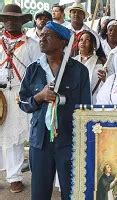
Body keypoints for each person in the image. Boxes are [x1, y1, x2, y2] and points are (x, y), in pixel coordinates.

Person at [19, 21, 91, 199]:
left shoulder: (79, 71)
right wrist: (39, 97)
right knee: (39, 194)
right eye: (41, 35)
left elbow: (85, 108)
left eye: (48, 35)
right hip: (40, 142)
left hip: (69, 142)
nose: (42, 38)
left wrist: (83, 141)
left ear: (62, 42)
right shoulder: (33, 69)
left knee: (72, 193)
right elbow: (22, 102)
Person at [0, 4, 41, 193]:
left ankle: (15, 176)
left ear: (21, 21)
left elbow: (39, 70)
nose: (10, 21)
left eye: (15, 18)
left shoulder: (32, 44)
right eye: (7, 18)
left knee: (15, 136)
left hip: (19, 93)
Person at [73, 30, 107, 104]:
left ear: (93, 45)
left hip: (94, 103)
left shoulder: (101, 62)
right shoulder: (72, 61)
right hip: (75, 104)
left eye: (87, 40)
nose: (83, 42)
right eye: (81, 40)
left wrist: (105, 79)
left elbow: (108, 85)